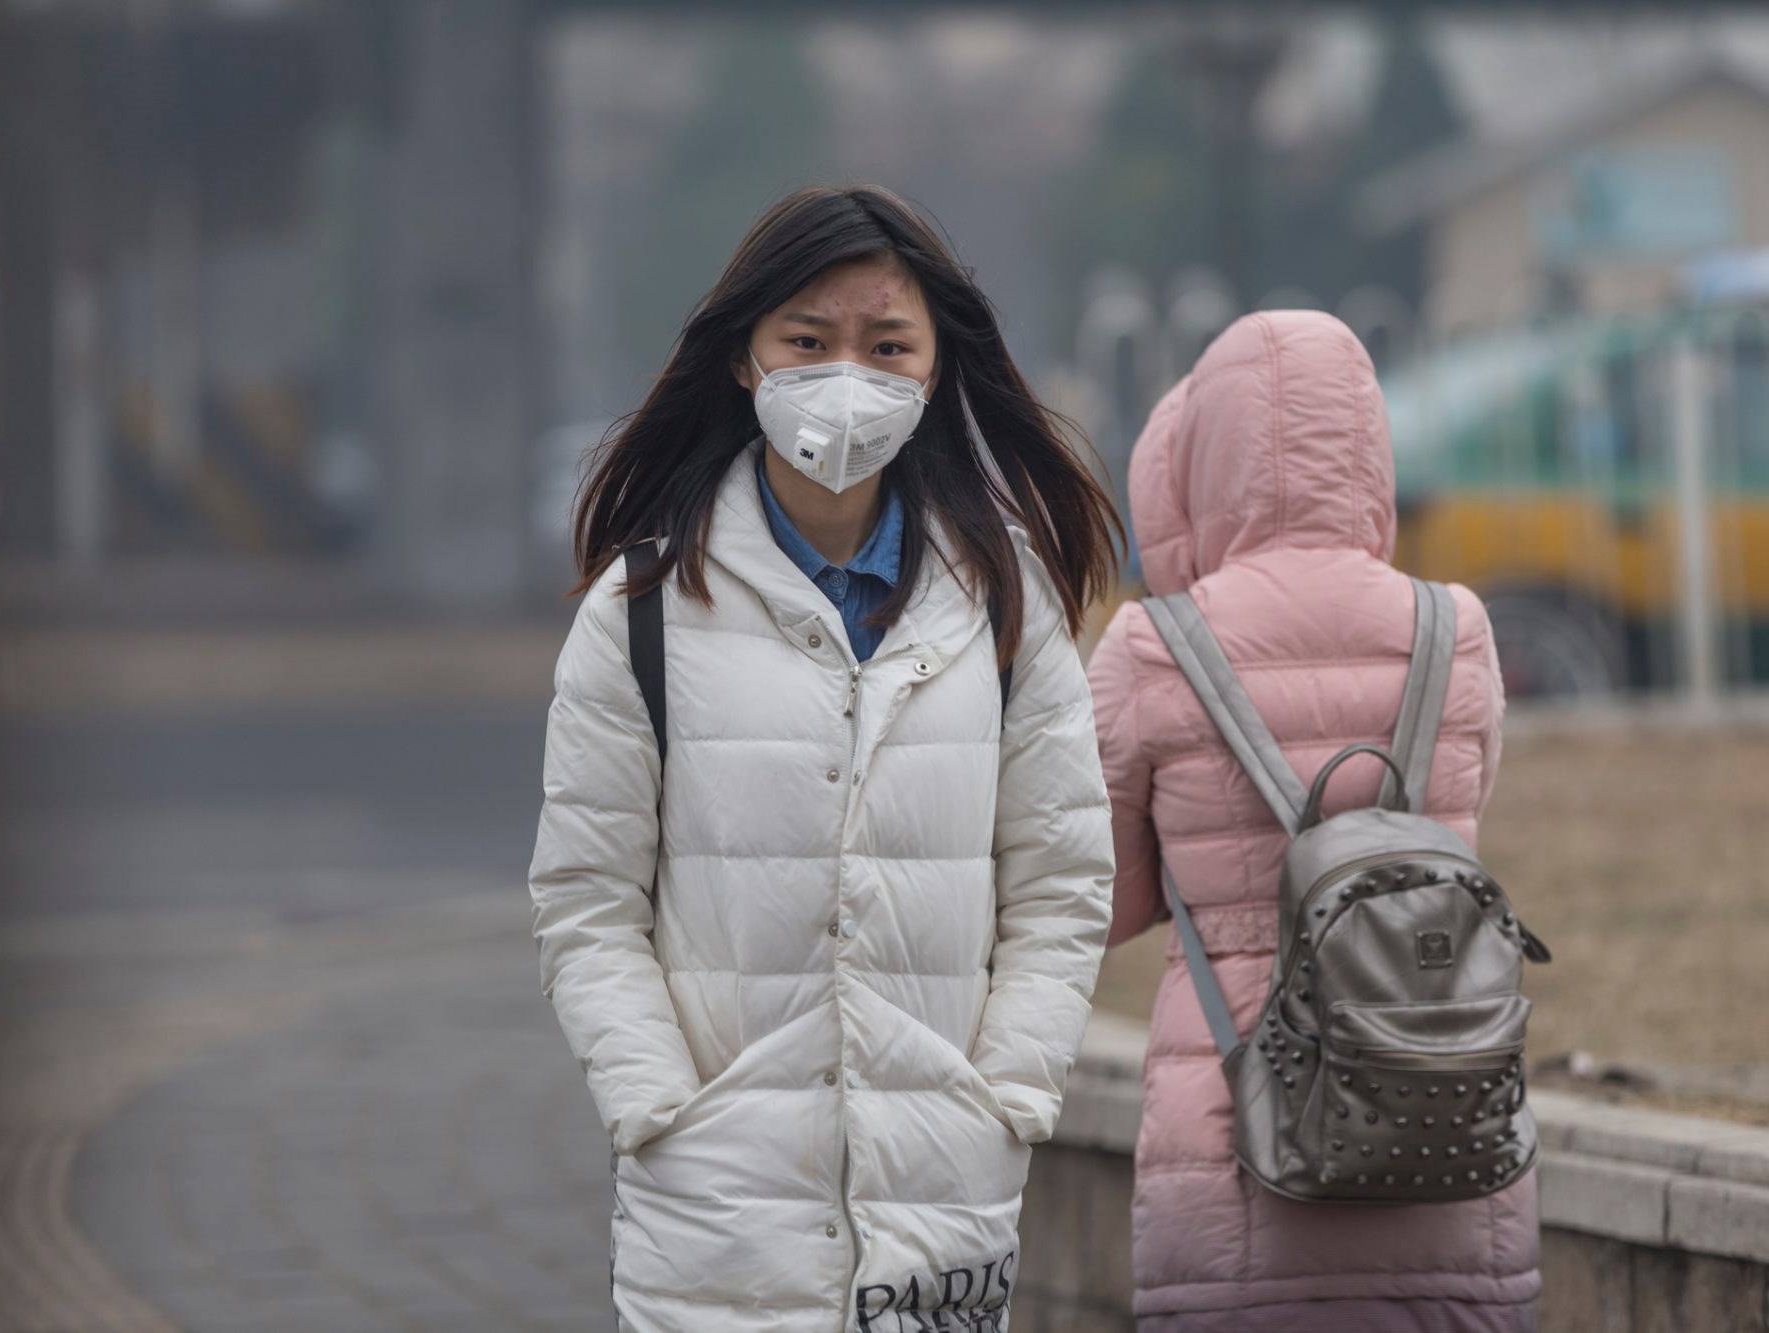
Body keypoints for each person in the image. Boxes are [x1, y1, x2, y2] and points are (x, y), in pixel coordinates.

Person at [528, 184, 1123, 1332]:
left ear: (936, 367)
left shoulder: (1003, 605)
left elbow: (1058, 879)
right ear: (746, 357)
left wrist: (1003, 1093)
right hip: (711, 1213)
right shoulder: (643, 607)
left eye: (886, 343)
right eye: (808, 339)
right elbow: (584, 899)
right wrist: (657, 1103)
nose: (847, 373)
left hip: (938, 1206)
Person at [1086, 310, 1539, 1331]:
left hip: (1237, 1147)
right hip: (1451, 1138)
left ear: (1199, 459)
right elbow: (1436, 850)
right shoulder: (1454, 628)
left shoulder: (1150, 647)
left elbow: (1106, 904)